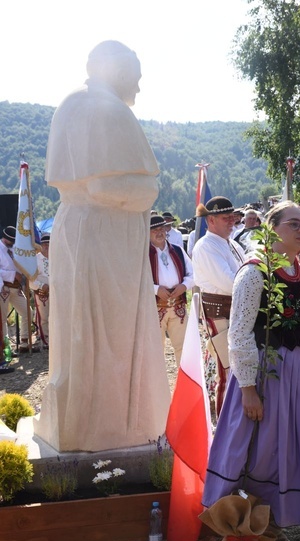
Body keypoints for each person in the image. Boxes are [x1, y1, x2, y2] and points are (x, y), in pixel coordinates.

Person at [36, 40, 170, 452]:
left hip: (90, 230)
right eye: (135, 76)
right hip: (103, 236)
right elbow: (101, 184)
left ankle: (98, 425)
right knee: (103, 339)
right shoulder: (102, 109)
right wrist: (148, 190)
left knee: (88, 336)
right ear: (115, 70)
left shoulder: (73, 105)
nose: (139, 87)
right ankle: (107, 429)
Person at [202, 201, 300, 541]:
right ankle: (249, 525)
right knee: (264, 454)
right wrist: (248, 388)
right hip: (271, 378)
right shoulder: (254, 273)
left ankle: (276, 526)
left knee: (295, 448)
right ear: (271, 228)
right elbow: (240, 334)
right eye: (292, 224)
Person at [192, 196, 245, 416]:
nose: (231, 221)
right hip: (220, 314)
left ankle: (237, 424)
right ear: (210, 220)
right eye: (226, 218)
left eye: (233, 217)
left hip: (236, 311)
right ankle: (225, 427)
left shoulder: (231, 243)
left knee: (240, 368)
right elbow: (231, 282)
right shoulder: (205, 246)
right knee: (227, 370)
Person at [149, 215, 194, 366]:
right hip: (154, 308)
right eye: (154, 229)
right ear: (147, 233)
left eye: (161, 228)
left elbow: (193, 274)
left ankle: (185, 387)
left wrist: (184, 286)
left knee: (184, 348)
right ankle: (157, 388)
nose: (159, 232)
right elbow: (135, 279)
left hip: (178, 306)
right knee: (155, 350)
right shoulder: (143, 254)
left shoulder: (178, 250)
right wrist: (156, 289)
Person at [0, 226, 31, 352]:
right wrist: (13, 275)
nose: (11, 243)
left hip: (16, 287)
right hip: (3, 287)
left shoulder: (14, 250)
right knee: (2, 320)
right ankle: (5, 349)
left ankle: (24, 342)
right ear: (4, 238)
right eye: (9, 240)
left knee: (28, 312)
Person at [30, 232, 50, 349]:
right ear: (40, 245)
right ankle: (45, 339)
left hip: (56, 291)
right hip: (42, 292)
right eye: (44, 244)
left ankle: (55, 338)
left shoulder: (58, 257)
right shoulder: (35, 259)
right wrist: (41, 285)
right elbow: (30, 280)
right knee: (44, 317)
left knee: (55, 316)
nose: (46, 246)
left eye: (49, 243)